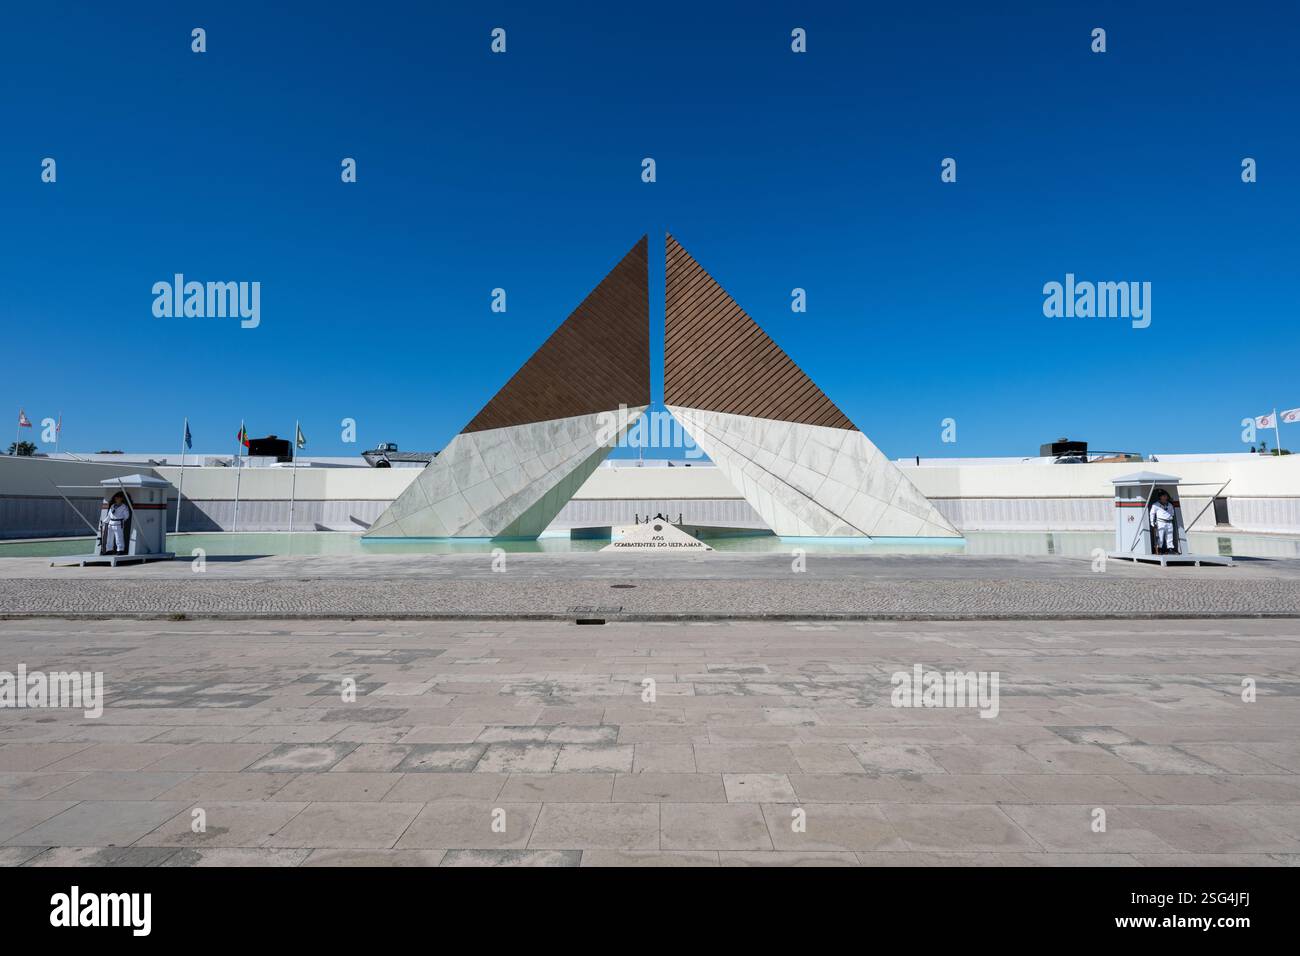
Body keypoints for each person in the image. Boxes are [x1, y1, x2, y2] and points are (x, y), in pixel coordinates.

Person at [1149, 490, 1177, 555]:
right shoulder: (1156, 505)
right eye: (1163, 496)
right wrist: (1152, 522)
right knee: (1160, 536)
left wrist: (1170, 517)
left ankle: (1170, 549)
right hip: (1160, 522)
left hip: (1169, 522)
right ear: (1160, 497)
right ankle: (1160, 549)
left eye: (1166, 496)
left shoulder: (1169, 504)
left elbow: (1172, 513)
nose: (1165, 497)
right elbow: (1152, 514)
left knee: (1170, 536)